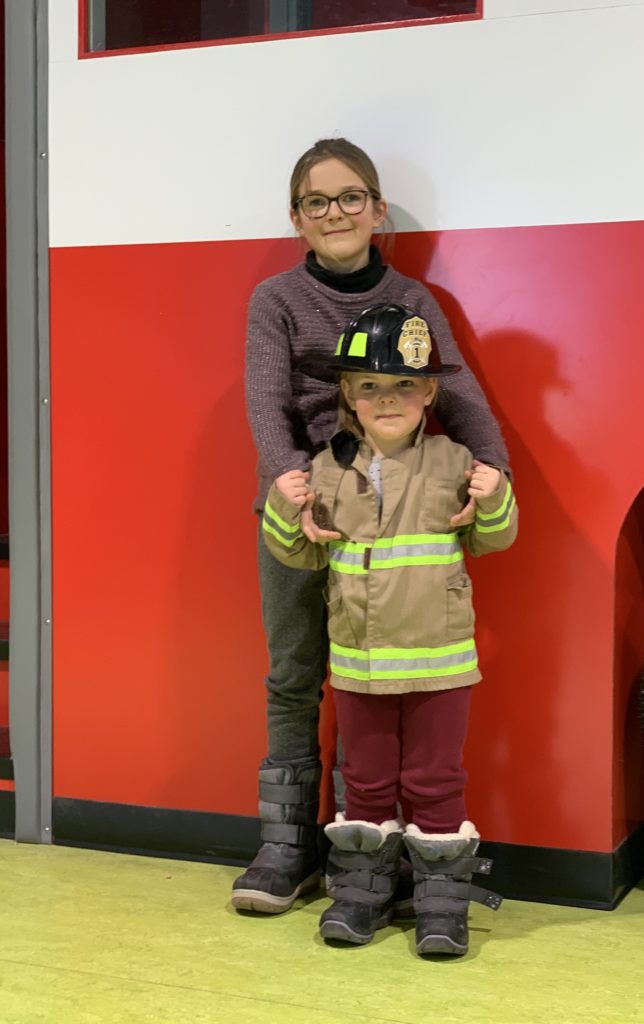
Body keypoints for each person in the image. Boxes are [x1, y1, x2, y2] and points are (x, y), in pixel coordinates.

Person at [233, 138, 511, 918]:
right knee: (295, 675)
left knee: (375, 680)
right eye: (317, 202)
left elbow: (462, 396)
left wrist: (494, 474)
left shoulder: (414, 299)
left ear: (377, 208)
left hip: (396, 513)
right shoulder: (275, 301)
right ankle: (289, 847)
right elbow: (267, 404)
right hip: (306, 508)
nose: (336, 213)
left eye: (351, 197)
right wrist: (294, 491)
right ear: (297, 218)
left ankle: (364, 856)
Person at [261, 303, 518, 957]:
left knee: (436, 782)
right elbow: (302, 555)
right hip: (359, 665)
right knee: (366, 783)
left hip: (439, 666)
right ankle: (359, 896)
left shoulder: (455, 461)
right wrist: (282, 512)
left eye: (405, 384)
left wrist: (494, 497)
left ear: (430, 392)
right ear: (348, 393)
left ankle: (441, 907)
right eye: (370, 385)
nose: (387, 398)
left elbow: (492, 540)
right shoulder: (326, 468)